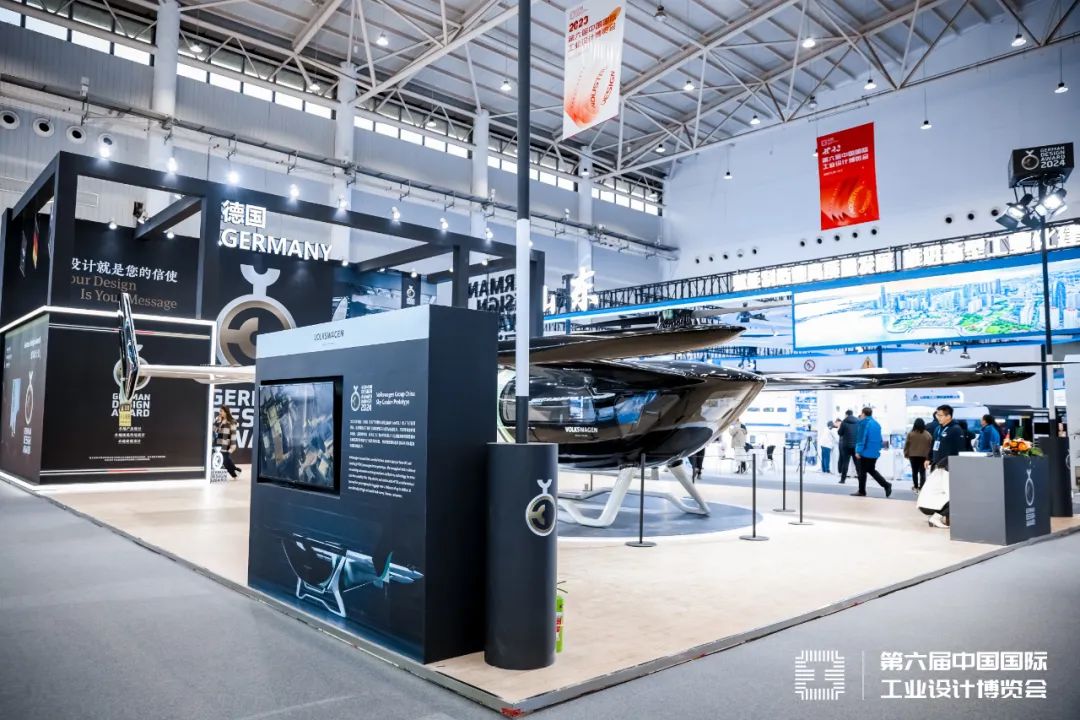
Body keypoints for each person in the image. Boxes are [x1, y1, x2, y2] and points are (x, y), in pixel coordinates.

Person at [923, 404, 966, 528]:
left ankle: (938, 516)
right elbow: (934, 444)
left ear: (949, 416)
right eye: (937, 414)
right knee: (937, 493)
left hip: (948, 467)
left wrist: (946, 462)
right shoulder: (938, 428)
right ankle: (936, 516)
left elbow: (959, 451)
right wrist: (929, 458)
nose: (938, 417)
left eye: (940, 415)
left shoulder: (956, 430)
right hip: (937, 466)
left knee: (951, 495)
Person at [853, 407, 892, 497]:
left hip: (865, 452)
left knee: (862, 472)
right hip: (874, 452)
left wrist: (858, 451)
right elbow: (880, 439)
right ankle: (885, 485)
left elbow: (861, 439)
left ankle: (862, 491)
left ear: (863, 414)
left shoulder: (863, 423)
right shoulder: (876, 424)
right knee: (870, 470)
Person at [903, 418, 933, 492]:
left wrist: (906, 453)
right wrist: (929, 456)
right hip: (924, 456)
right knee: (922, 472)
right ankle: (922, 487)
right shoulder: (927, 434)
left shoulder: (911, 434)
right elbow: (930, 445)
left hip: (913, 456)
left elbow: (907, 445)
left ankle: (916, 486)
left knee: (914, 472)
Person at [213, 406, 240, 479]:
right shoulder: (219, 420)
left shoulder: (231, 422)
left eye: (221, 411)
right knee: (223, 460)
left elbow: (233, 435)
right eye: (220, 411)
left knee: (225, 460)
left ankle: (235, 474)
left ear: (226, 412)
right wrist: (217, 422)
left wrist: (232, 447)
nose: (220, 412)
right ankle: (236, 472)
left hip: (225, 444)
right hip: (218, 443)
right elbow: (214, 430)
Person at [836, 410, 859, 484]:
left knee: (845, 463)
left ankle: (843, 480)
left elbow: (840, 433)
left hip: (846, 445)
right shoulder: (858, 422)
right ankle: (861, 480)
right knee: (857, 464)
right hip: (855, 445)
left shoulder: (844, 422)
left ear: (846, 415)